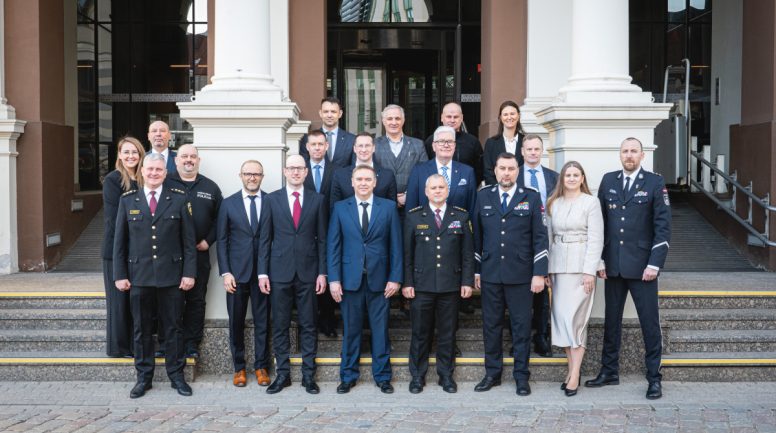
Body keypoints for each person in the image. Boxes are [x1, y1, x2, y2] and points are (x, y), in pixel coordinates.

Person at [585, 137, 671, 400]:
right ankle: (609, 371)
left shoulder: (655, 183)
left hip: (644, 267)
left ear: (642, 156)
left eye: (634, 151)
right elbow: (600, 225)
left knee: (649, 324)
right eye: (625, 151)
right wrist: (599, 260)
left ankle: (654, 377)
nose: (629, 155)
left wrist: (655, 263)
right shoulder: (609, 181)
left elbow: (663, 227)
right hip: (613, 266)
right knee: (612, 322)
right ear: (620, 154)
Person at [113, 153, 196, 399]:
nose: (153, 173)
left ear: (165, 172)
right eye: (149, 169)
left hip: (172, 277)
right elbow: (120, 242)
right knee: (141, 329)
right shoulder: (128, 200)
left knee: (173, 328)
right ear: (142, 171)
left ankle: (176, 376)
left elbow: (188, 242)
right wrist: (120, 274)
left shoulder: (179, 199)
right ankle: (143, 378)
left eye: (158, 170)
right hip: (139, 277)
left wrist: (189, 273)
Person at [472, 153, 548, 396]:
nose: (506, 172)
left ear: (518, 171)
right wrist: (476, 269)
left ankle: (521, 376)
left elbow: (540, 237)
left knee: (521, 326)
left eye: (511, 168)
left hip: (522, 275)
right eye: (502, 168)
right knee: (491, 326)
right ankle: (492, 373)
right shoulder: (483, 196)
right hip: (491, 273)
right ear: (495, 170)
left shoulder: (531, 197)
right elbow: (477, 238)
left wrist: (539, 273)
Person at [327, 165, 403, 394]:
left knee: (381, 331)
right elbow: (333, 246)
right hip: (350, 281)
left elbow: (396, 247)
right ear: (352, 182)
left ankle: (383, 377)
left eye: (367, 179)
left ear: (374, 183)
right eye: (359, 179)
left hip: (381, 282)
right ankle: (348, 376)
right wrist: (333, 279)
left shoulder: (388, 207)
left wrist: (395, 278)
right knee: (351, 330)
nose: (363, 183)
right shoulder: (340, 208)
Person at [258, 155, 328, 395]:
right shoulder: (271, 200)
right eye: (292, 168)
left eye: (300, 168)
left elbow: (322, 240)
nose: (296, 172)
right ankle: (283, 375)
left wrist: (322, 272)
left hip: (309, 273)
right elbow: (265, 239)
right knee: (279, 325)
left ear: (306, 172)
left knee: (309, 324)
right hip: (279, 272)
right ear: (285, 171)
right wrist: (262, 273)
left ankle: (309, 376)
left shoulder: (318, 200)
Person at [403, 174, 474, 394]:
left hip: (450, 285)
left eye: (441, 187)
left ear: (447, 190)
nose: (437, 191)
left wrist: (467, 281)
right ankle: (417, 376)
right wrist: (407, 282)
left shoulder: (460, 216)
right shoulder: (414, 216)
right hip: (421, 285)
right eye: (433, 187)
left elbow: (467, 254)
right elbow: (407, 254)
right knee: (420, 333)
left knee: (447, 333)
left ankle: (446, 376)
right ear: (426, 191)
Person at [544, 161, 604, 397]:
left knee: (576, 322)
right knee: (562, 322)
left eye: (575, 175)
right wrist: (547, 270)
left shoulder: (591, 202)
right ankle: (570, 370)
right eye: (567, 174)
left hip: (581, 269)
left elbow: (596, 238)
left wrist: (590, 271)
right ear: (562, 178)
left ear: (582, 178)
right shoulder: (554, 203)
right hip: (559, 267)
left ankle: (576, 374)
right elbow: (549, 238)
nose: (570, 178)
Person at [216, 160, 272, 388]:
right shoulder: (228, 204)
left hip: (263, 275)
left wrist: (267, 272)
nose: (252, 178)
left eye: (256, 174)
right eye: (248, 174)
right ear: (240, 175)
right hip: (236, 276)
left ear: (262, 176)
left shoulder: (271, 201)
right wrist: (226, 272)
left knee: (262, 323)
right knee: (236, 323)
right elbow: (222, 240)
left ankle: (261, 366)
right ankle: (239, 368)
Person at [164, 144, 222, 359]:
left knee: (196, 300)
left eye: (193, 157)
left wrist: (208, 241)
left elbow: (220, 219)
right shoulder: (165, 182)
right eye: (184, 156)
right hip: (169, 255)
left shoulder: (210, 187)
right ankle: (168, 342)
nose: (189, 160)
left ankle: (191, 344)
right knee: (169, 299)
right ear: (176, 160)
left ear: (199, 160)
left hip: (198, 254)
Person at [515, 134, 559, 357]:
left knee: (542, 290)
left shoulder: (554, 177)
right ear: (522, 151)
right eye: (529, 149)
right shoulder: (514, 174)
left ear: (542, 151)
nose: (533, 152)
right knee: (518, 291)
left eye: (536, 149)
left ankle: (541, 335)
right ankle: (518, 337)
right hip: (519, 239)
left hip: (546, 238)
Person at [102, 136, 145, 358]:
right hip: (115, 250)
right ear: (119, 155)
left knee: (133, 300)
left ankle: (134, 344)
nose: (131, 156)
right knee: (118, 301)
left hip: (138, 251)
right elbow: (114, 218)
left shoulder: (143, 179)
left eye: (135, 152)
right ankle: (118, 348)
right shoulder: (113, 179)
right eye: (126, 152)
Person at [302, 130, 340, 338]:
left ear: (327, 147)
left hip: (329, 228)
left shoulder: (338, 171)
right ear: (307, 147)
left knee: (327, 274)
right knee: (308, 278)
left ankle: (328, 322)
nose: (317, 147)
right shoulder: (299, 170)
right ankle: (309, 322)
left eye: (320, 144)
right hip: (305, 232)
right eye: (313, 144)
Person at [406, 125, 476, 214]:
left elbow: (472, 209)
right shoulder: (418, 171)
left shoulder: (467, 172)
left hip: (457, 226)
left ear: (454, 146)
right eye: (441, 141)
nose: (446, 145)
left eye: (450, 141)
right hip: (425, 226)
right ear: (434, 146)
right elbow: (411, 208)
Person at [373, 104, 428, 210]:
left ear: (403, 120)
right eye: (389, 119)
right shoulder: (374, 145)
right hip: (381, 204)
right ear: (383, 121)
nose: (394, 122)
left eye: (397, 118)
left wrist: (408, 195)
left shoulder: (418, 144)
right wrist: (390, 196)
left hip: (411, 204)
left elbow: (424, 174)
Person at [330, 132, 397, 208]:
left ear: (374, 148)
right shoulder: (340, 176)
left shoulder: (388, 176)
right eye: (360, 146)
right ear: (354, 149)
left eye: (367, 146)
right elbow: (335, 208)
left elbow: (392, 208)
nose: (364, 149)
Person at [423, 102, 483, 184]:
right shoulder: (431, 141)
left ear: (461, 118)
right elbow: (426, 167)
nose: (452, 120)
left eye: (456, 117)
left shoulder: (472, 142)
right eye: (448, 117)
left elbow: (479, 170)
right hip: (436, 191)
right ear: (442, 118)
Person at [298, 96, 356, 168]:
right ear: (320, 113)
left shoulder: (351, 139)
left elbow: (353, 168)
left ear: (340, 114)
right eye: (326, 112)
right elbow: (304, 166)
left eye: (333, 112)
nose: (329, 115)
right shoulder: (307, 139)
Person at [482, 101, 525, 186]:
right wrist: (501, 190)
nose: (509, 117)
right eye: (505, 114)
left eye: (512, 114)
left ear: (518, 116)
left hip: (522, 192)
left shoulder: (526, 142)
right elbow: (488, 172)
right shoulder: (491, 143)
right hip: (498, 193)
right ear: (501, 118)